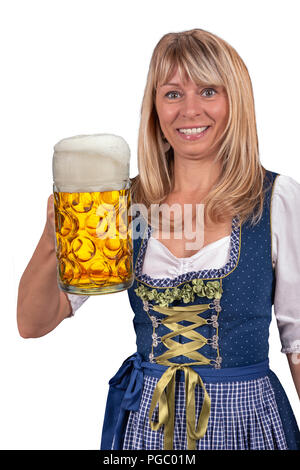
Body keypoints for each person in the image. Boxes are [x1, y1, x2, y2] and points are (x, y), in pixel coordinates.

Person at [17, 28, 300, 450]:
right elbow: (34, 323)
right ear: (154, 107)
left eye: (208, 91)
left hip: (246, 424)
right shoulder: (122, 206)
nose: (189, 110)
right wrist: (52, 236)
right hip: (149, 427)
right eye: (172, 94)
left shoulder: (276, 199)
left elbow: (298, 342)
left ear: (235, 101)